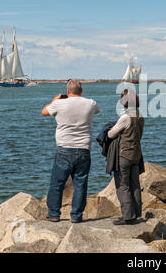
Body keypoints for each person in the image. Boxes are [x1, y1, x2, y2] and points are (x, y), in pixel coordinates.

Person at [41, 79, 100, 223]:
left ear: (67, 91)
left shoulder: (59, 103)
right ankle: (76, 216)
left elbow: (44, 112)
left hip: (64, 149)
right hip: (84, 149)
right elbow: (96, 111)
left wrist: (53, 101)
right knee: (80, 184)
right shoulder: (91, 103)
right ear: (81, 91)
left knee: (57, 183)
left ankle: (54, 214)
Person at [107, 89, 145, 225]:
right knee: (135, 184)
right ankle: (136, 214)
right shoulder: (140, 116)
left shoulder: (125, 117)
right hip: (136, 155)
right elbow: (139, 136)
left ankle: (127, 216)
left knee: (122, 185)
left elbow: (111, 134)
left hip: (124, 155)